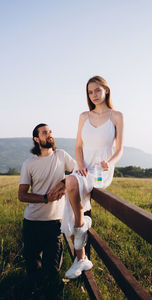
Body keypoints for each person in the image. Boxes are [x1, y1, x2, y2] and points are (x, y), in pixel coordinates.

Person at [61, 75, 124, 279]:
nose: (94, 95)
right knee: (70, 183)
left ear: (106, 90)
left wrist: (111, 163)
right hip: (83, 168)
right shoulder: (83, 116)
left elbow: (120, 149)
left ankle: (80, 251)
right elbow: (78, 146)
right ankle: (81, 253)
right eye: (90, 92)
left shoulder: (117, 116)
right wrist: (79, 165)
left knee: (73, 185)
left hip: (100, 172)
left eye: (97, 90)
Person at [18, 123, 75, 298]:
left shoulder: (62, 155)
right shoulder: (29, 163)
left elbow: (79, 172)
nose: (49, 134)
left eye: (50, 131)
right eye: (44, 132)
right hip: (32, 223)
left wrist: (64, 183)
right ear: (37, 139)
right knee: (33, 269)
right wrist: (45, 198)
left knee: (52, 270)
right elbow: (22, 195)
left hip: (54, 223)